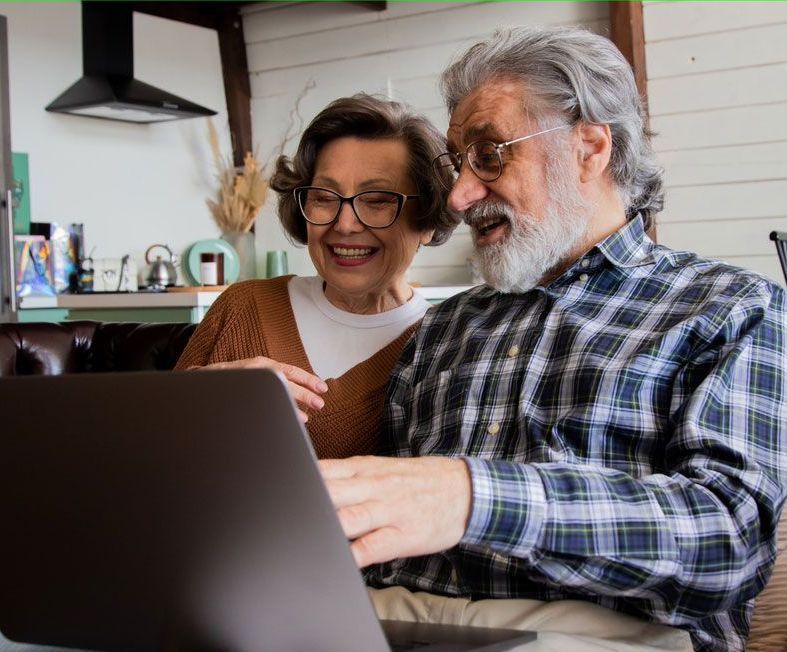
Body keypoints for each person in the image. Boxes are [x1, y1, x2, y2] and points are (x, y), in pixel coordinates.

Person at [320, 26, 787, 652]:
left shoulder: (731, 307)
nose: (459, 196)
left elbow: (727, 543)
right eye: (458, 163)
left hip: (603, 633)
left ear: (590, 149)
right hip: (394, 616)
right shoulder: (442, 327)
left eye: (489, 154)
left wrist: (472, 497)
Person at [175, 94, 458, 459]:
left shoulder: (447, 345)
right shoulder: (241, 306)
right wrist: (196, 399)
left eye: (376, 200)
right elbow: (144, 450)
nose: (344, 224)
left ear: (429, 221)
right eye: (324, 197)